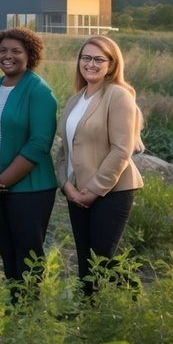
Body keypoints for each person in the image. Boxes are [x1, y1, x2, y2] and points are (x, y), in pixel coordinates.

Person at [0, 27, 58, 289]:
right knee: (6, 251)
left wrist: (2, 181)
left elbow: (39, 144)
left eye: (16, 51)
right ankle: (15, 306)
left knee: (28, 254)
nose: (8, 56)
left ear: (30, 55)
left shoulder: (39, 91)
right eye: (3, 50)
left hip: (30, 189)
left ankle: (28, 314)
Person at [57, 35, 143, 298]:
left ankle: (133, 300)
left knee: (101, 260)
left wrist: (94, 189)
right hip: (77, 192)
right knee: (85, 261)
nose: (90, 64)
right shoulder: (75, 99)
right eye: (86, 57)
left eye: (98, 59)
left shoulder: (118, 96)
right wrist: (67, 186)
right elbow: (64, 150)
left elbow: (121, 150)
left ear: (111, 64)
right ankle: (89, 317)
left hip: (112, 191)